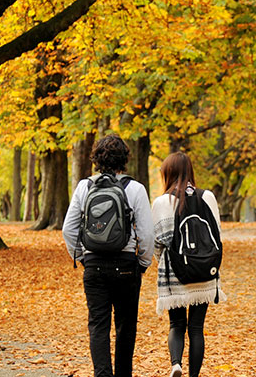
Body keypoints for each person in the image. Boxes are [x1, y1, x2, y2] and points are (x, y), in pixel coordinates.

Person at [62, 134, 154, 377]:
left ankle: (102, 374)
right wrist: (143, 262)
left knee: (98, 326)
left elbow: (68, 229)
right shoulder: (136, 189)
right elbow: (146, 233)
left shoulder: (85, 187)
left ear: (96, 159)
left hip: (94, 267)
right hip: (126, 266)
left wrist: (82, 257)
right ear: (124, 159)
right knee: (126, 327)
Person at [151, 152, 227, 377]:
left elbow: (158, 241)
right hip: (204, 271)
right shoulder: (208, 197)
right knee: (196, 328)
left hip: (176, 273)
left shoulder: (162, 202)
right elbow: (217, 235)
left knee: (176, 325)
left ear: (168, 174)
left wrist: (162, 262)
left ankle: (176, 364)